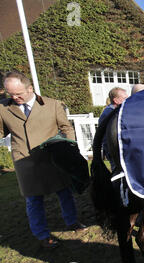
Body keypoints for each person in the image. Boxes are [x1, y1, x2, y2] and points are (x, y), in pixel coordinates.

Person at [0, 71, 87, 249]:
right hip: (25, 161)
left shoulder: (52, 105)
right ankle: (42, 235)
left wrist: (70, 148)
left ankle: (72, 222)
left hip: (52, 158)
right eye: (11, 94)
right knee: (33, 200)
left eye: (19, 94)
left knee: (64, 193)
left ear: (30, 88)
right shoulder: (3, 108)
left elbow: (66, 128)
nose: (15, 97)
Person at [98, 87, 128, 172]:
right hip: (114, 150)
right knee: (118, 172)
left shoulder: (111, 111)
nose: (127, 100)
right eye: (125, 98)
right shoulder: (111, 113)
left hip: (113, 149)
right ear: (116, 100)